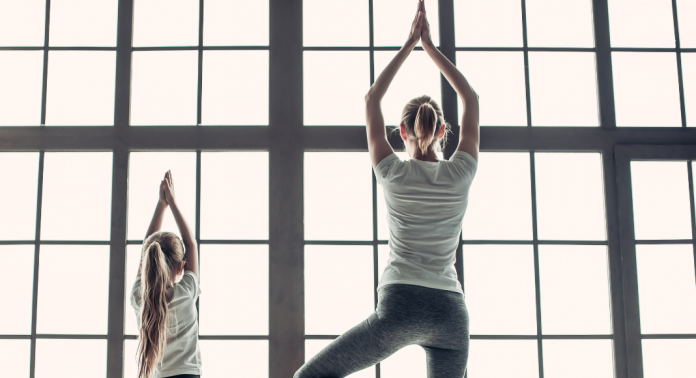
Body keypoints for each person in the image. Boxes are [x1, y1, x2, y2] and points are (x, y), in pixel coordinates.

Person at [294, 0, 479, 377]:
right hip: (450, 312)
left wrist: (410, 45)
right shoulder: (461, 171)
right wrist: (431, 50)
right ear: (444, 132)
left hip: (400, 304)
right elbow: (470, 99)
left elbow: (371, 99)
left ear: (402, 132)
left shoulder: (392, 171)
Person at [131, 171, 201, 378]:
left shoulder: (139, 297)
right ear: (182, 267)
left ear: (145, 265)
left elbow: (147, 247)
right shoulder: (186, 292)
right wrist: (172, 202)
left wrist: (161, 206)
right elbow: (192, 245)